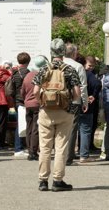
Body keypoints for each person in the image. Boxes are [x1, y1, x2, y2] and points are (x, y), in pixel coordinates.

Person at [33, 38, 82, 192]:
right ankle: (57, 180)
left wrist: (43, 102)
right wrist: (70, 104)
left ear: (51, 51)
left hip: (46, 112)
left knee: (45, 147)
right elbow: (77, 94)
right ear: (62, 52)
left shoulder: (43, 69)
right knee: (61, 147)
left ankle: (42, 180)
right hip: (65, 112)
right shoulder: (69, 69)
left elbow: (35, 92)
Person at [63, 43, 88, 165]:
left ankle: (59, 156)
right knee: (72, 129)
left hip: (57, 100)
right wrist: (85, 102)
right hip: (74, 100)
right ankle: (68, 158)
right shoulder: (78, 66)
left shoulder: (57, 64)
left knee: (59, 129)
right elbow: (82, 86)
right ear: (74, 53)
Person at [21, 55, 47, 161]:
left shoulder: (27, 75)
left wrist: (26, 100)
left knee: (29, 127)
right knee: (36, 128)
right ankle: (33, 151)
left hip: (28, 104)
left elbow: (22, 92)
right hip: (38, 104)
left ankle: (29, 149)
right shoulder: (41, 76)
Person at [10, 52, 31, 158]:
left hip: (16, 101)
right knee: (24, 125)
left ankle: (20, 147)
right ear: (28, 62)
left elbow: (12, 89)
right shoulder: (28, 73)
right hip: (25, 101)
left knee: (21, 124)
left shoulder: (14, 73)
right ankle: (19, 148)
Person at [85, 56, 102, 154]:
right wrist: (94, 95)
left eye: (93, 66)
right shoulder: (90, 74)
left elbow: (104, 68)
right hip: (91, 102)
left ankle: (89, 144)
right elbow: (98, 84)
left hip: (90, 102)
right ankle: (87, 146)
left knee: (91, 125)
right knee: (88, 126)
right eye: (89, 65)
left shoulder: (93, 72)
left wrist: (99, 62)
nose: (91, 67)